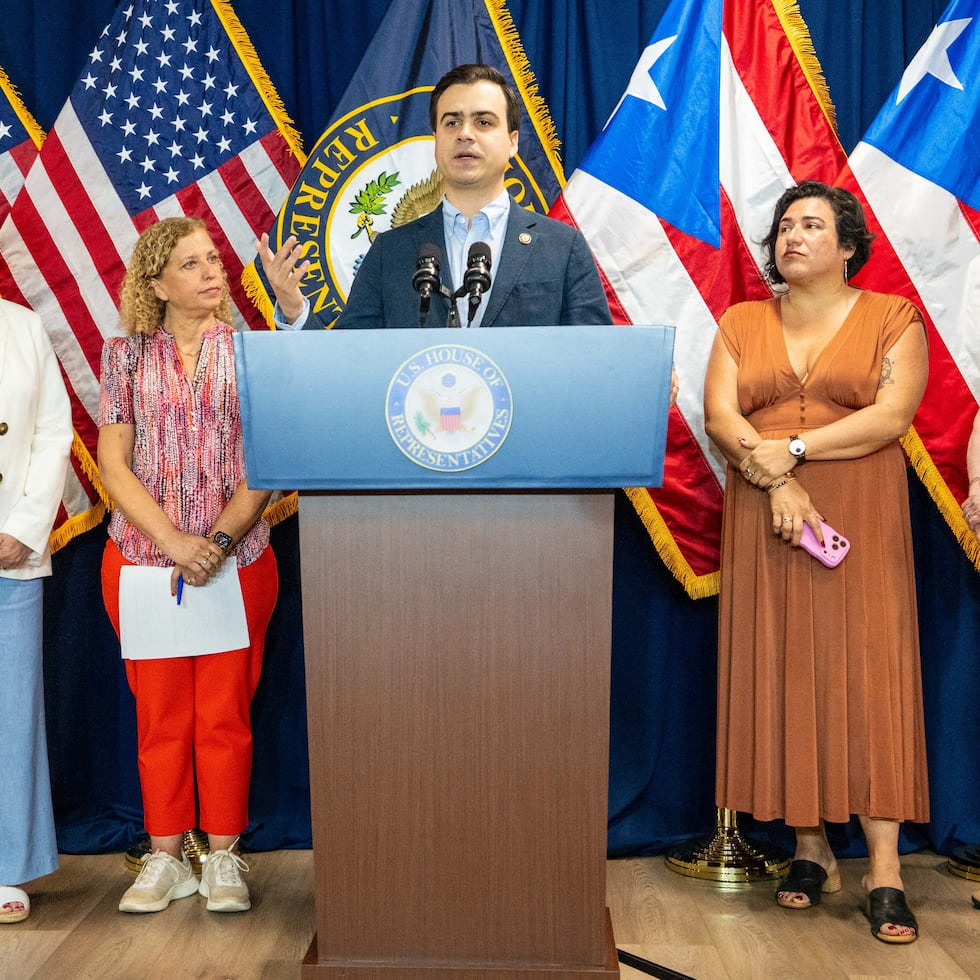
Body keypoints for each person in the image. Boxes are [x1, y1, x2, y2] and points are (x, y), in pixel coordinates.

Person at [703, 180, 929, 944]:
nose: (791, 237)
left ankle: (887, 870)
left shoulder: (892, 317)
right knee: (787, 669)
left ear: (848, 244)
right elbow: (721, 415)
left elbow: (892, 416)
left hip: (859, 510)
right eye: (784, 227)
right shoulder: (740, 321)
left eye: (810, 225)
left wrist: (794, 450)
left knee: (869, 675)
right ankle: (811, 850)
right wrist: (778, 479)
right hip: (768, 514)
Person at [98, 216, 278, 914]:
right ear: (157, 283)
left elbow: (268, 458)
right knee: (162, 714)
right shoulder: (125, 356)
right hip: (144, 565)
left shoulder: (252, 353)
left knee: (225, 714)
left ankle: (225, 855)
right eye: (192, 263)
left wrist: (221, 542)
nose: (212, 272)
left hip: (240, 561)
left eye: (213, 259)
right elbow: (114, 460)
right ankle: (167, 855)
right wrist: (175, 543)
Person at [258, 63, 614, 332]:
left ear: (513, 142)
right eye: (452, 123)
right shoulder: (391, 251)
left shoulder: (562, 247)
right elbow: (349, 363)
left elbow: (596, 359)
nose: (465, 134)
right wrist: (293, 308)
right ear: (436, 139)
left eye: (484, 122)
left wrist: (644, 379)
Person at [0, 300, 73, 925]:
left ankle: (7, 866)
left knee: (11, 711)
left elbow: (55, 432)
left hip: (10, 548)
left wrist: (26, 524)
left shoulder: (22, 326)